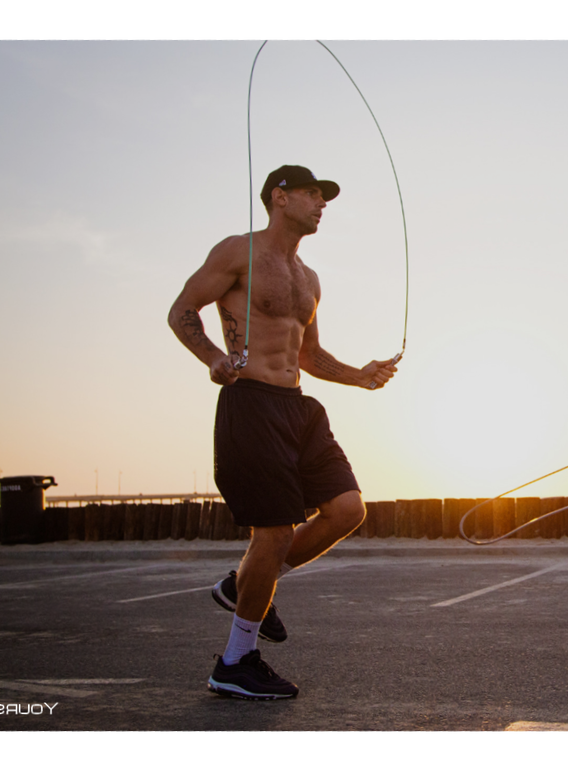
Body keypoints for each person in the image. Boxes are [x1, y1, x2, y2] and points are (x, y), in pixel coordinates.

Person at [168, 164, 399, 698]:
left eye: (325, 199)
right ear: (280, 196)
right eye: (313, 195)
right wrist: (210, 357)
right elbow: (182, 310)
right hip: (250, 403)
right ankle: (234, 662)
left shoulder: (309, 278)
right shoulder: (237, 252)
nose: (322, 205)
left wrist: (359, 377)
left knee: (347, 510)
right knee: (270, 533)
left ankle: (240, 583)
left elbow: (309, 353)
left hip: (298, 407)